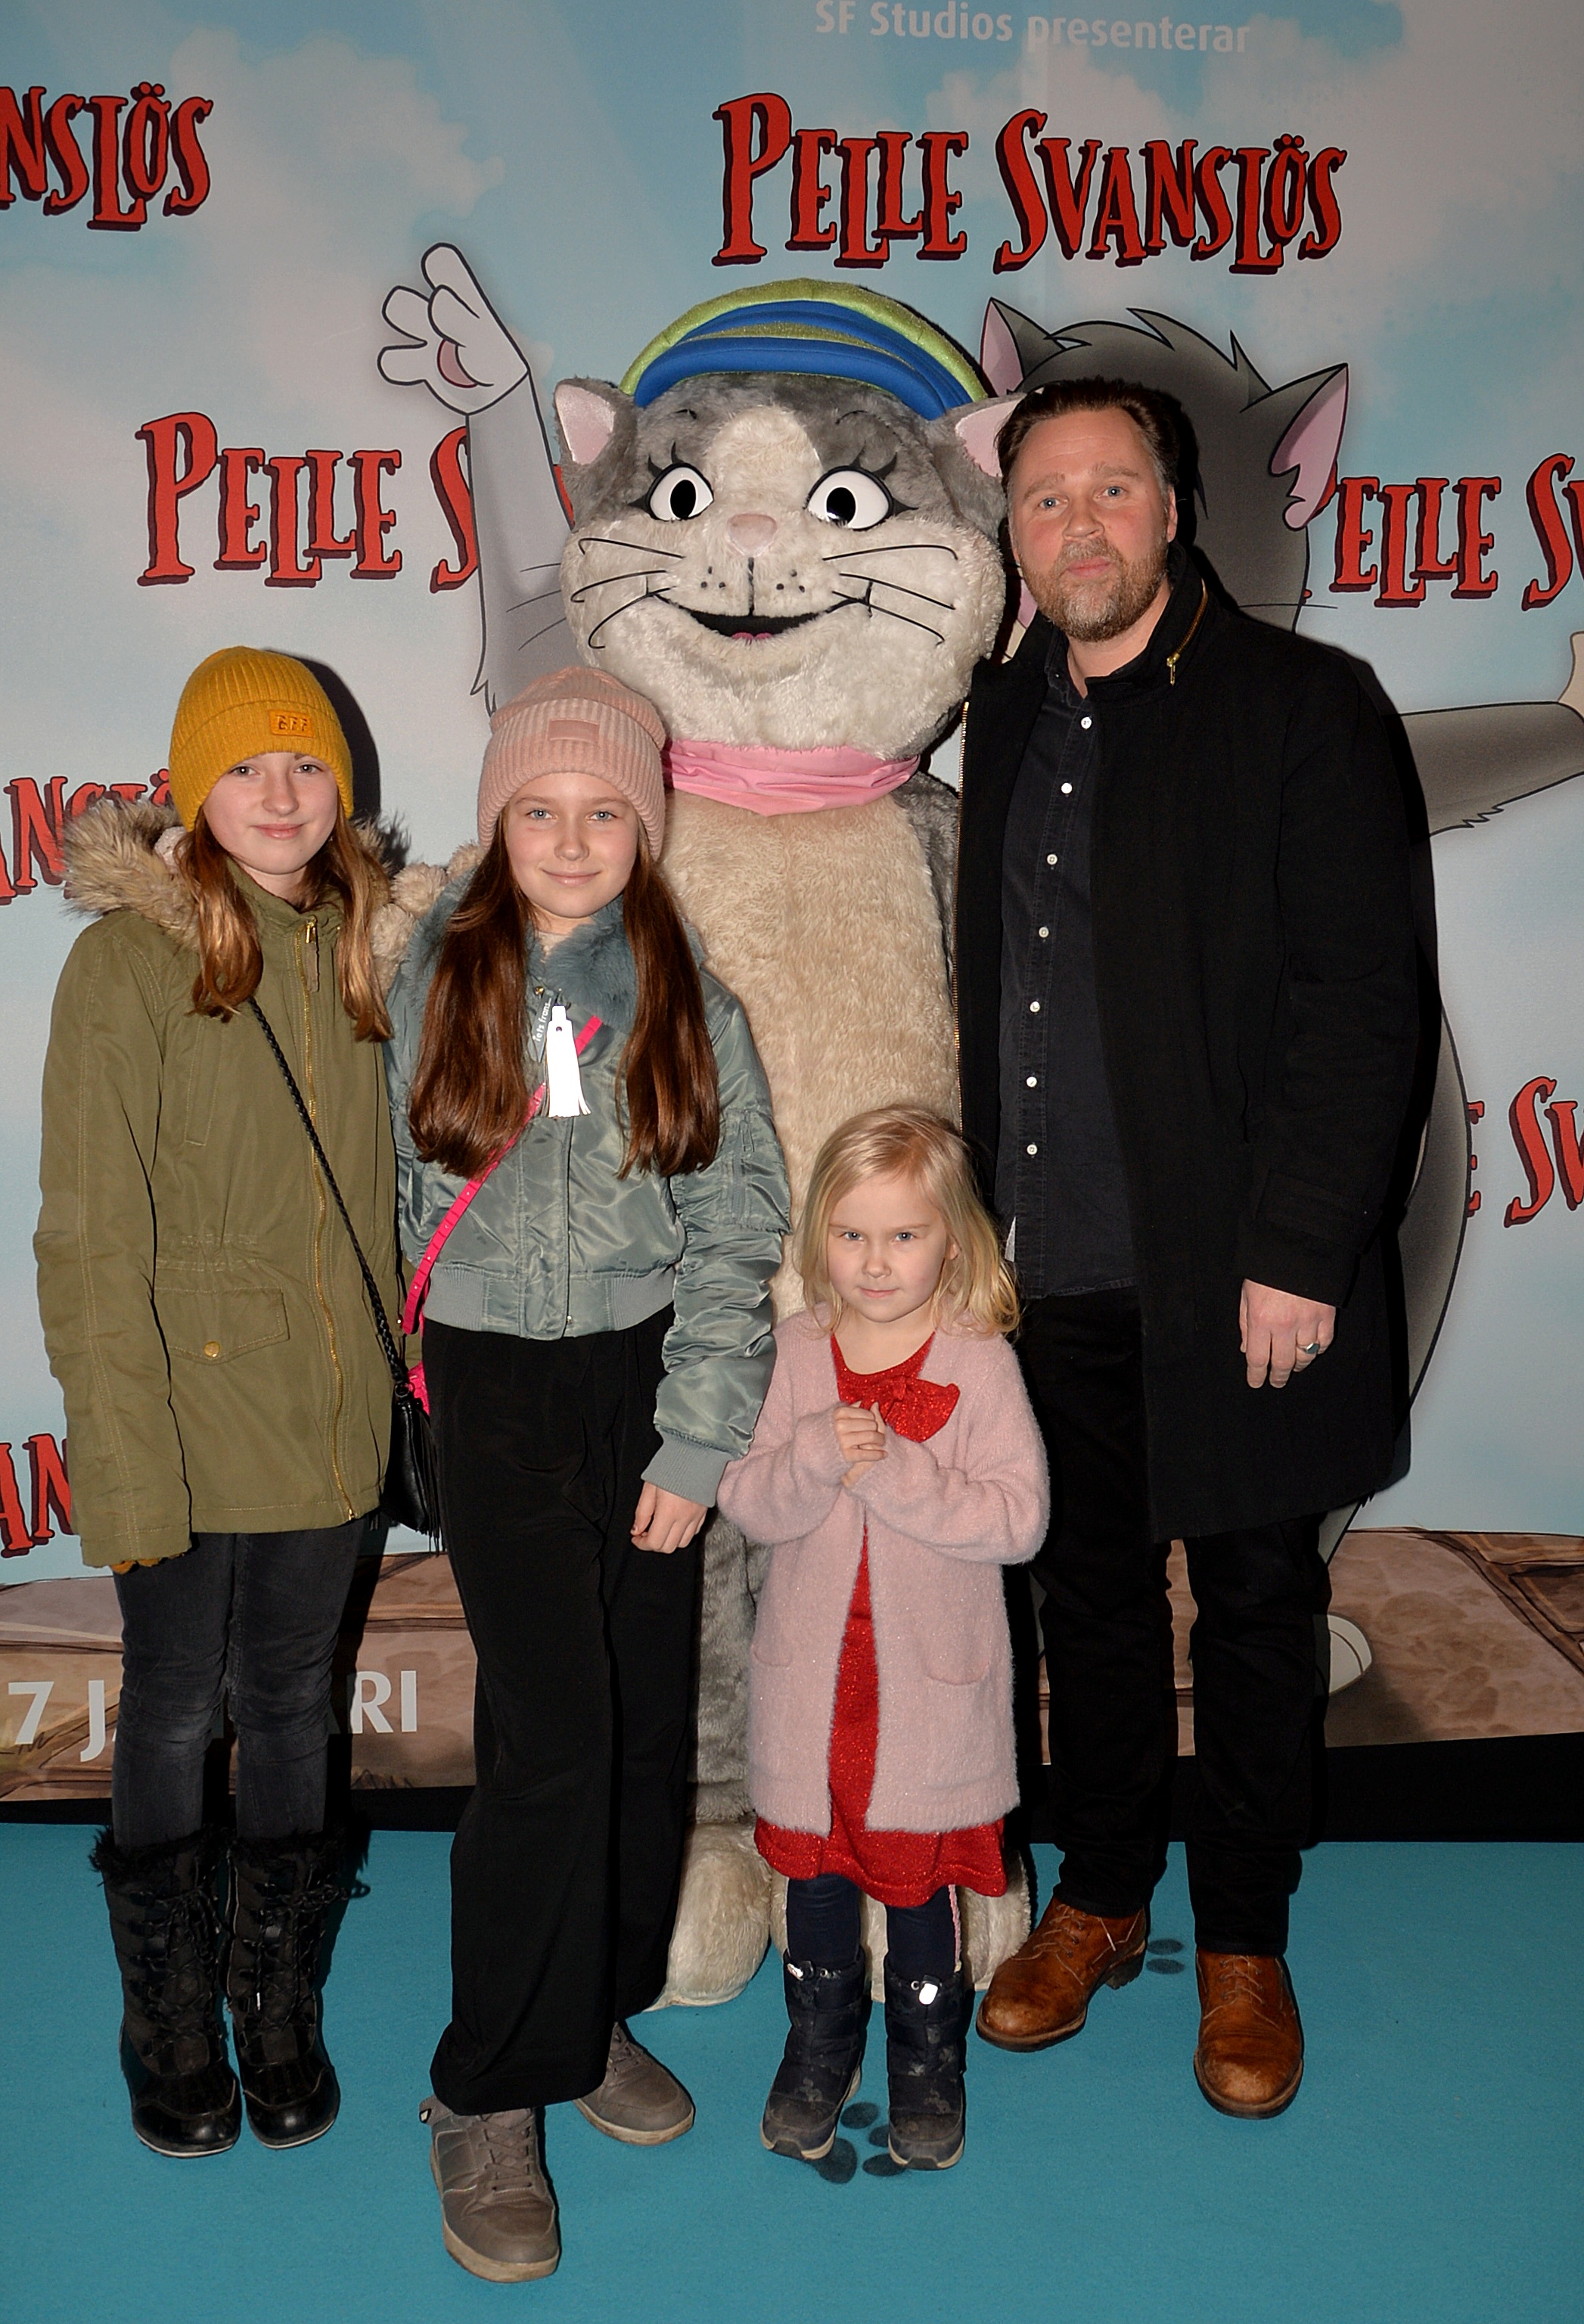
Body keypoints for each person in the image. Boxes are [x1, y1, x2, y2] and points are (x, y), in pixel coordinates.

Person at [956, 379, 1419, 2117]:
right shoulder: (1002, 711)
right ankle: (1098, 1893)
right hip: (1046, 1253)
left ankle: (1242, 1938)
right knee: (1080, 1598)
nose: (1078, 524)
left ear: (1174, 508)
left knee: (1252, 1603)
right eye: (1045, 497)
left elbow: (1363, 1000)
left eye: (1112, 489)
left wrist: (1299, 1248)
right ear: (1014, 532)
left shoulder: (1306, 705)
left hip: (1239, 1269)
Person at [384, 666, 787, 2284]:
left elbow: (737, 1227)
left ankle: (590, 2013)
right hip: (492, 1393)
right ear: (497, 825)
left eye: (603, 811)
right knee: (550, 1739)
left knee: (636, 1727)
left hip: (640, 1386)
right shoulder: (431, 980)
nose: (568, 839)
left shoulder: (689, 1001)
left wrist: (696, 1436)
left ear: (646, 828)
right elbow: (390, 1192)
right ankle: (488, 2085)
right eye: (538, 811)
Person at [36, 647, 399, 2158]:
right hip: (179, 1421)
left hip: (330, 1412)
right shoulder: (127, 965)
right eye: (244, 766)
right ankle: (171, 2011)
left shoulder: (374, 946)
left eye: (305, 763)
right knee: (179, 1701)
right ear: (194, 789)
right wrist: (120, 1463)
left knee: (299, 1699)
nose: (280, 792)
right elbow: (87, 1235)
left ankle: (276, 1998)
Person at [718, 1108, 1048, 2171]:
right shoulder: (795, 1351)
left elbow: (1018, 1520)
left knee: (914, 1892)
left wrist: (898, 1474)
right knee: (815, 1889)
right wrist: (815, 1455)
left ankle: (925, 2057)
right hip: (816, 1700)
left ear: (953, 1242)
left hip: (924, 1702)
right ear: (818, 1236)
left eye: (903, 1235)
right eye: (851, 1234)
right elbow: (747, 1501)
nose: (874, 1261)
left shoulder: (979, 1361)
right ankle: (819, 2047)